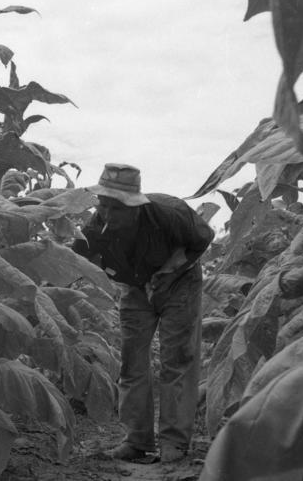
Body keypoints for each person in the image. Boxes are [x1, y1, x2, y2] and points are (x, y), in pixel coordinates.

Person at [72, 163, 214, 463]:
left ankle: (174, 442)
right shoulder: (96, 228)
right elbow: (71, 260)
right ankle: (137, 441)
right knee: (132, 361)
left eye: (116, 207)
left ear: (135, 206)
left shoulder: (169, 213)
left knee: (177, 359)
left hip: (179, 283)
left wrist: (168, 270)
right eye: (103, 205)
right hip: (135, 288)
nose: (107, 214)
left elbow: (202, 239)